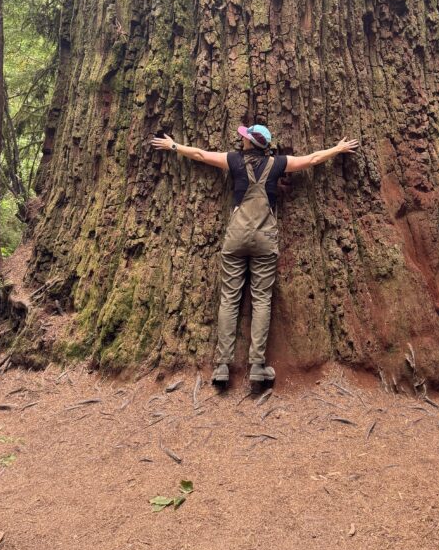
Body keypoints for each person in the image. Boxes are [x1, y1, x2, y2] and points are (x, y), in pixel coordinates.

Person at [151, 124, 358, 386]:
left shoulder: (234, 161)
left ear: (250, 143)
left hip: (236, 237)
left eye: (245, 136)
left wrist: (173, 146)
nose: (241, 138)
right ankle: (257, 366)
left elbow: (201, 155)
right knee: (261, 300)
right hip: (264, 239)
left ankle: (222, 366)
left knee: (229, 299)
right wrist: (338, 149)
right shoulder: (278, 163)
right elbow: (313, 159)